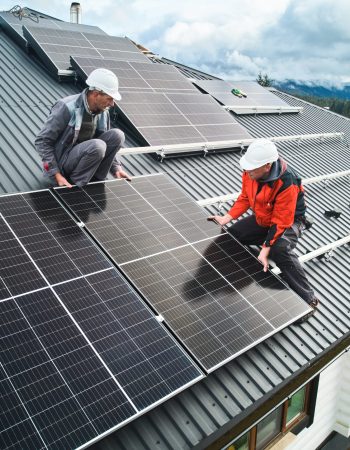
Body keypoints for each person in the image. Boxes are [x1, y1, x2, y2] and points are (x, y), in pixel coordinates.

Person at [209, 138, 319, 320]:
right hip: (264, 218)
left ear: (267, 166)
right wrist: (226, 218)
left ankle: (309, 299)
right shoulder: (250, 172)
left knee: (279, 248)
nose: (247, 171)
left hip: (291, 221)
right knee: (232, 235)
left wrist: (266, 249)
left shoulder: (287, 182)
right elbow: (245, 197)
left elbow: (281, 221)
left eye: (252, 169)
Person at [35, 68, 130, 188]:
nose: (112, 104)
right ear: (96, 94)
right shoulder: (66, 107)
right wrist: (56, 174)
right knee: (97, 145)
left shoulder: (103, 111)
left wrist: (116, 167)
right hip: (64, 162)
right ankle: (77, 187)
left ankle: (96, 179)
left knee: (118, 135)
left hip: (88, 158)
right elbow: (42, 141)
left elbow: (108, 145)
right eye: (109, 98)